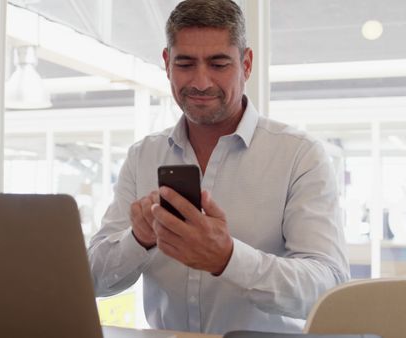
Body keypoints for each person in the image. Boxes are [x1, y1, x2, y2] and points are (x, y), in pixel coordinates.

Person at [88, 0, 349, 334]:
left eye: (218, 63)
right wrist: (137, 239)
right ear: (167, 63)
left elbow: (327, 288)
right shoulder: (143, 156)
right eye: (185, 63)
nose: (200, 82)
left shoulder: (300, 155)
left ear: (247, 63)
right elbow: (93, 279)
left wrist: (227, 258)